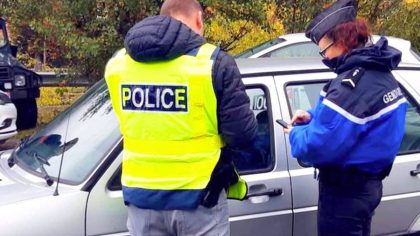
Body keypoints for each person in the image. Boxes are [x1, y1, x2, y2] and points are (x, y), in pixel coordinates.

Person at [104, 0, 257, 235]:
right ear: (198, 19)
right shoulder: (212, 63)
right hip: (199, 200)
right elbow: (243, 135)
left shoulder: (118, 65)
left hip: (141, 201)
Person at [283, 0, 407, 235]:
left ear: (340, 42)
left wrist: (295, 133)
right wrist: (311, 116)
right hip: (367, 187)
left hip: (344, 196)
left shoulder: (352, 84)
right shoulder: (379, 72)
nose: (324, 57)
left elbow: (315, 146)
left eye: (323, 50)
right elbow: (353, 121)